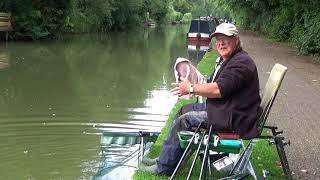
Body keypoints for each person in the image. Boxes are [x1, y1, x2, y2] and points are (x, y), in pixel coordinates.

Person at [140, 23, 261, 176]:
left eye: (226, 39)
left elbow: (218, 89)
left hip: (235, 118)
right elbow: (214, 83)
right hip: (229, 110)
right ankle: (165, 159)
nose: (221, 43)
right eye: (218, 39)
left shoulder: (241, 64)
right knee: (183, 110)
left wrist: (191, 88)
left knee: (186, 120)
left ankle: (163, 168)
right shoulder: (231, 60)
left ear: (236, 40)